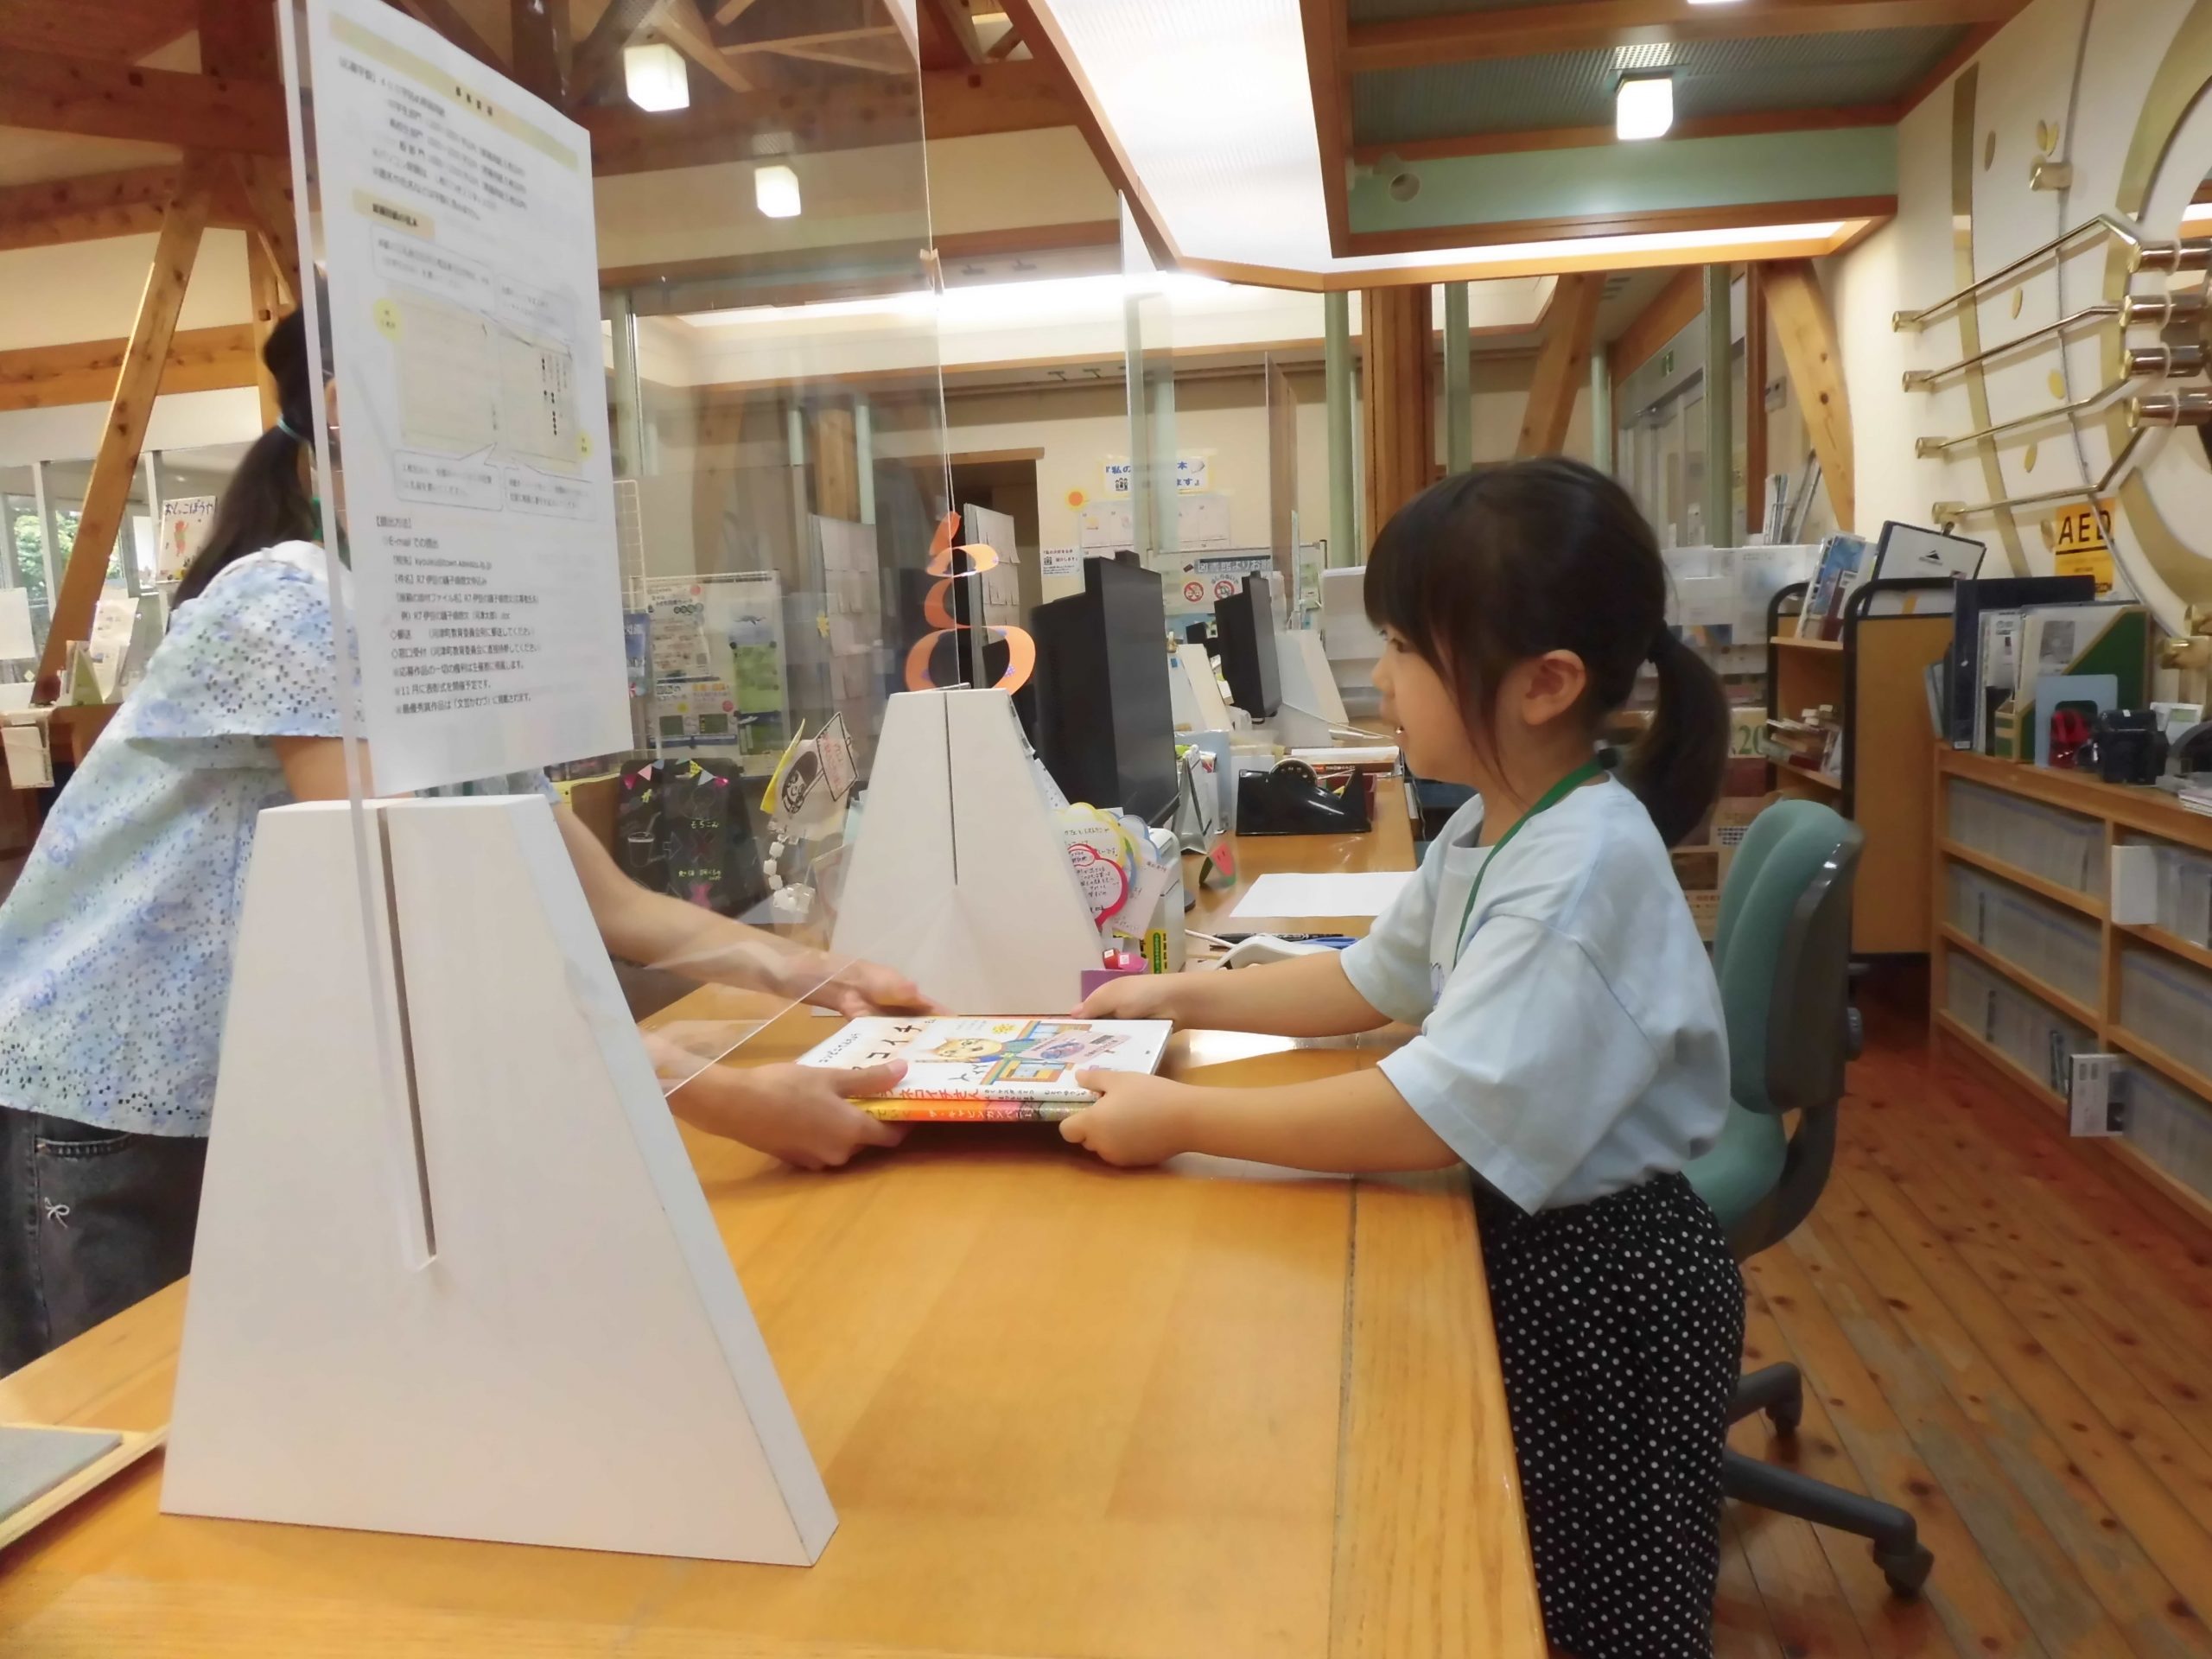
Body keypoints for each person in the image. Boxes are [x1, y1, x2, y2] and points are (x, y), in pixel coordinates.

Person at [0, 303, 931, 1375]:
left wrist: (820, 977)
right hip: (112, 1098)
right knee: (126, 1422)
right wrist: (710, 1091)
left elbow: (606, 903)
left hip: (261, 1091)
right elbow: (406, 914)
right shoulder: (292, 599)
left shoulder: (437, 635)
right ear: (342, 424)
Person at [1069, 459, 1741, 1659]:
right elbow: (1368, 981)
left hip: (1604, 1287)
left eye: (1402, 649)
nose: (1377, 679)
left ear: (1543, 685)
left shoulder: (1577, 875)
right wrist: (1173, 991)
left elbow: (1426, 1117)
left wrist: (1181, 1121)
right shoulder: (1502, 821)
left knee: (1597, 1612)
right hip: (1546, 1236)